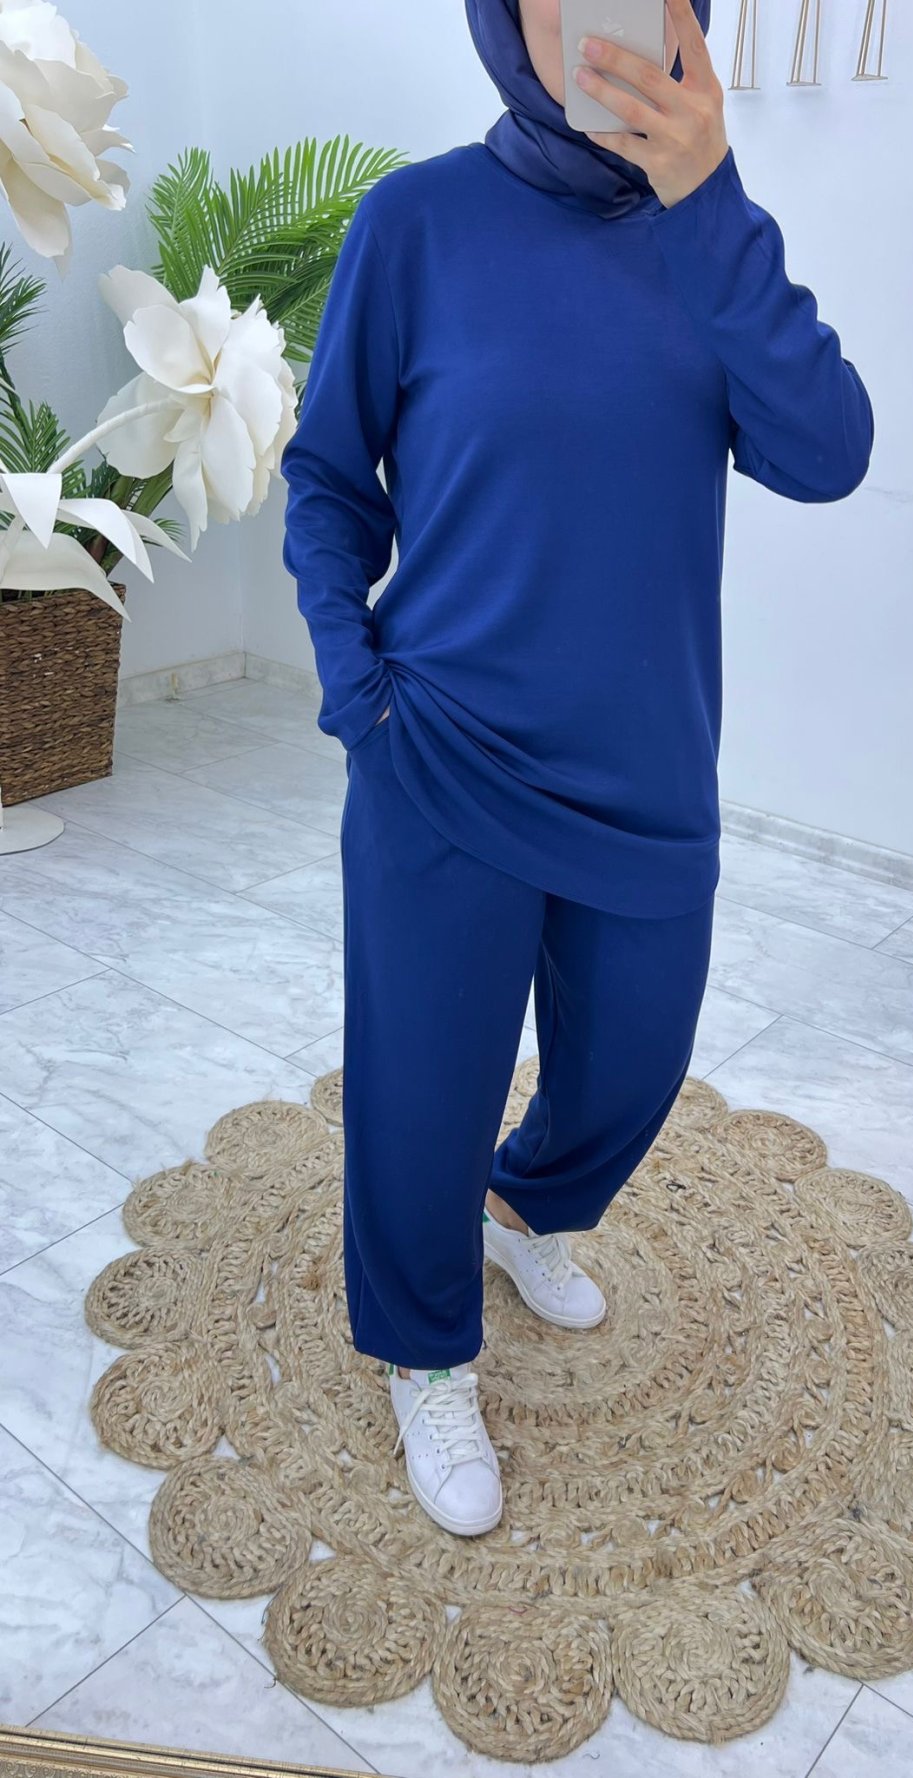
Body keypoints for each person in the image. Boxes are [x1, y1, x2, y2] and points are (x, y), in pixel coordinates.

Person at [279, 0, 874, 1540]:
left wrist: (713, 202)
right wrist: (356, 690)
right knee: (422, 1089)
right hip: (441, 752)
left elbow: (829, 450)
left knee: (629, 1067)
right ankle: (425, 1351)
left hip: (646, 763)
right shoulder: (416, 225)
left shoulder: (707, 240)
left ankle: (526, 1202)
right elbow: (330, 480)